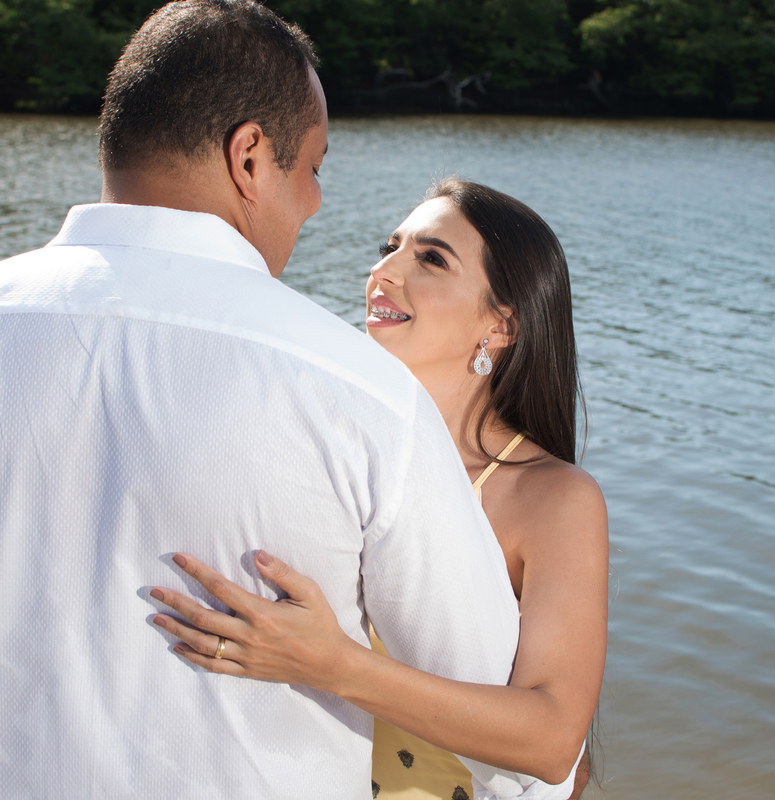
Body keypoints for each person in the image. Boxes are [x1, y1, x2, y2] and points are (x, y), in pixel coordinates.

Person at [0, 3, 519, 798]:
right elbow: (501, 709)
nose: (313, 205)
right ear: (249, 157)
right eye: (311, 169)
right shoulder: (362, 394)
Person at [149, 180, 609, 800]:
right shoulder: (329, 450)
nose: (383, 270)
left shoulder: (553, 498)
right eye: (391, 247)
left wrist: (329, 663)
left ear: (500, 327)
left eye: (430, 258)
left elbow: (553, 744)